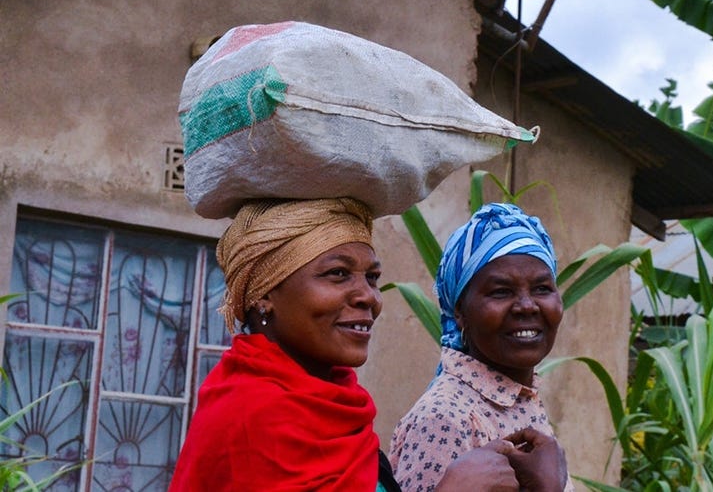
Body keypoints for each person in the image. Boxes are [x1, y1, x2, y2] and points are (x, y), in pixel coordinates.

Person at [168, 197, 540, 491]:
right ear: (265, 293)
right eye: (338, 274)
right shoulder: (252, 416)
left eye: (373, 278)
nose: (368, 297)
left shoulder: (336, 408)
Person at [388, 202, 573, 492]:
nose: (527, 306)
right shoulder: (446, 418)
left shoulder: (518, 399)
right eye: (501, 291)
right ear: (460, 311)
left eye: (542, 288)